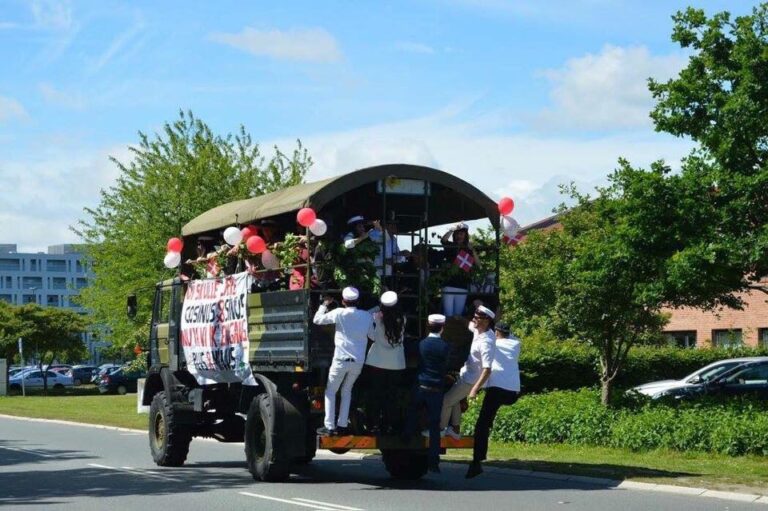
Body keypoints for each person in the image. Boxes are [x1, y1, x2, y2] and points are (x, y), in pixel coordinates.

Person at [313, 286, 373, 435]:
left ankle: (329, 426)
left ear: (343, 301)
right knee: (347, 391)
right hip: (358, 361)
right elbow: (373, 336)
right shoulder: (367, 316)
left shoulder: (339, 313)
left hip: (340, 360)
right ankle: (342, 425)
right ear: (358, 301)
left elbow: (317, 320)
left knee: (331, 391)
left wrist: (324, 305)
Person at [466, 322, 521, 478]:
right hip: (513, 392)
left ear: (496, 333)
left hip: (497, 389)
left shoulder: (493, 344)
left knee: (482, 424)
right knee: (488, 419)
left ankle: (477, 461)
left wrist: (473, 323)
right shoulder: (516, 343)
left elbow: (478, 332)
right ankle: (478, 458)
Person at [439, 305, 496, 439]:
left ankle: (440, 430)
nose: (474, 320)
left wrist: (474, 389)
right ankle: (455, 430)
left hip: (471, 380)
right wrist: (458, 318)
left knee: (446, 401)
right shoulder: (479, 330)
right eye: (474, 317)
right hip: (467, 375)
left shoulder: (486, 342)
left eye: (477, 318)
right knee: (455, 400)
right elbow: (469, 324)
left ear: (486, 321)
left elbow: (487, 369)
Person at [404, 314, 450, 473]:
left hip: (421, 386)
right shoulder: (445, 346)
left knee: (412, 412)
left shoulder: (421, 344)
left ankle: (406, 437)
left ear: (428, 327)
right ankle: (434, 461)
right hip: (436, 390)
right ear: (442, 328)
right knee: (434, 427)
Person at [364, 291, 406, 433]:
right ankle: (390, 424)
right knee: (391, 396)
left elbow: (371, 334)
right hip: (396, 363)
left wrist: (377, 308)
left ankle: (375, 424)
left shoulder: (376, 317)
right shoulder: (403, 318)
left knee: (377, 394)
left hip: (377, 362)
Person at [440, 222, 478, 317]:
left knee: (458, 316)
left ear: (465, 236)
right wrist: (452, 229)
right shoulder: (450, 246)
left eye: (461, 234)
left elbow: (478, 264)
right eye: (457, 234)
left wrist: (472, 250)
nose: (459, 236)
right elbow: (443, 240)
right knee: (448, 315)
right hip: (448, 284)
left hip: (462, 286)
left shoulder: (469, 249)